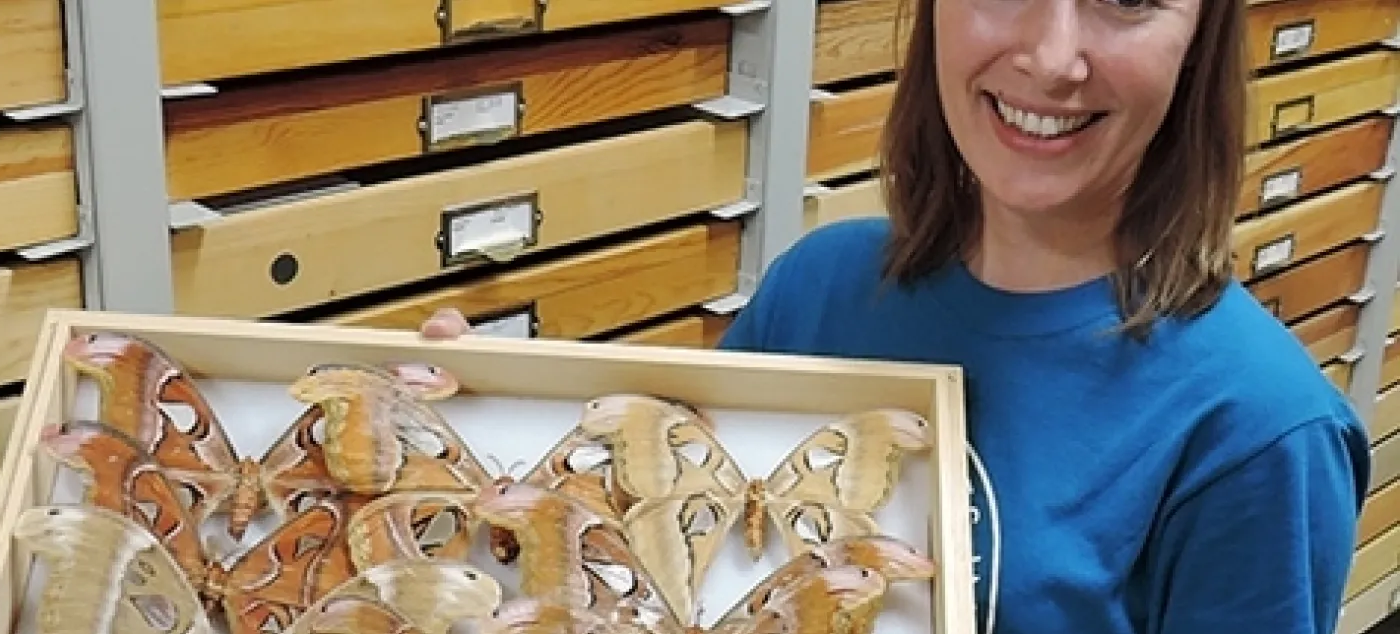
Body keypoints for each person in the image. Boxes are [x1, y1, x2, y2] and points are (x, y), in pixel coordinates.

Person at [419, 0, 1373, 631]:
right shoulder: (819, 289)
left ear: (1201, 37)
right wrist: (486, 461)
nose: (1051, 58)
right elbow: (674, 583)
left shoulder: (1258, 433)